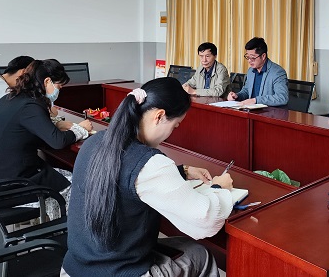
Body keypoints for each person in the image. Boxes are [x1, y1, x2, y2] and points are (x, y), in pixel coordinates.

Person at [62, 77, 234, 277]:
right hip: (119, 271)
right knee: (200, 254)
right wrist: (219, 188)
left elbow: (120, 178)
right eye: (175, 125)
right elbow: (205, 219)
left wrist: (183, 171)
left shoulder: (95, 141)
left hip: (75, 267)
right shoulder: (150, 163)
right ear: (159, 116)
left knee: (181, 246)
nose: (172, 132)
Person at [0, 59, 91, 193]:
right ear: (47, 81)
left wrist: (56, 126)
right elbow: (58, 141)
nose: (60, 90)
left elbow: (28, 131)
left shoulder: (10, 98)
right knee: (81, 187)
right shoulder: (30, 106)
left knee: (66, 174)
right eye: (59, 86)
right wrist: (81, 129)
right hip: (12, 183)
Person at [227, 37, 289, 106]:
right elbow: (247, 91)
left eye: (252, 57)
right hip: (251, 110)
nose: (249, 61)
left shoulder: (277, 72)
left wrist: (256, 100)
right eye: (248, 57)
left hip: (269, 111)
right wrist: (237, 96)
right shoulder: (251, 71)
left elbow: (282, 97)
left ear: (263, 56)